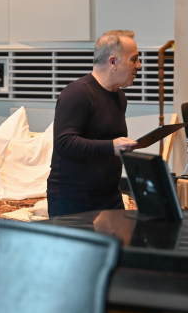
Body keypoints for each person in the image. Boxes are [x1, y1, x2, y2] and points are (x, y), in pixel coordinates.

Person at [47, 30, 141, 217]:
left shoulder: (119, 97)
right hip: (73, 200)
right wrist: (112, 146)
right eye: (134, 59)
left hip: (109, 197)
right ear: (113, 62)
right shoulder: (77, 93)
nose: (139, 65)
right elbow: (64, 143)